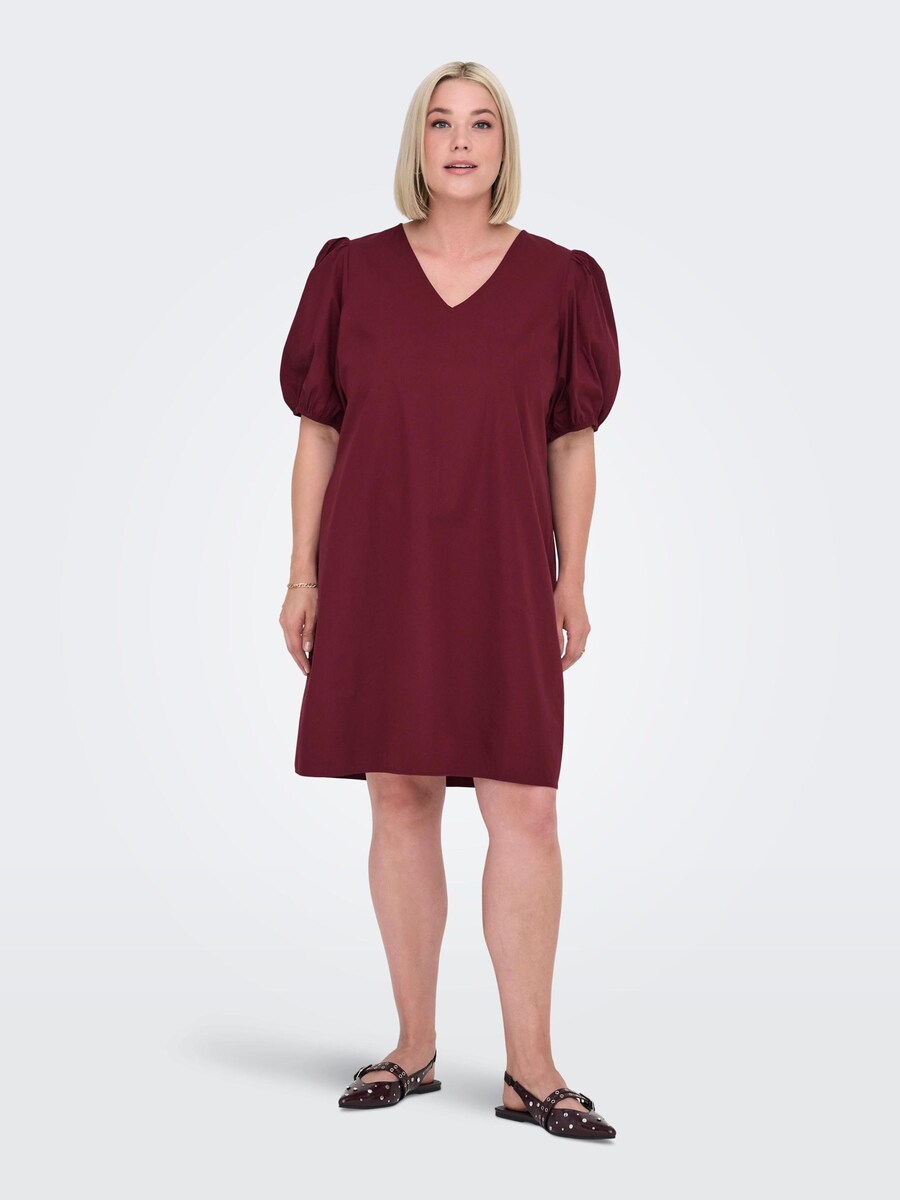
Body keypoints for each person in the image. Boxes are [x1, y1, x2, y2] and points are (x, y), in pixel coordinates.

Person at [278, 61, 621, 1140]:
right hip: (378, 565)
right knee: (400, 795)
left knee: (526, 806)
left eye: (480, 123)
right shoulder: (351, 272)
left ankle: (532, 1071)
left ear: (504, 145)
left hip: (504, 570)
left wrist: (571, 574)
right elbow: (320, 431)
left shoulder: (562, 280)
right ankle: (413, 1047)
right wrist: (302, 573)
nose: (460, 141)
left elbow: (572, 440)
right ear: (417, 145)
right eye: (440, 122)